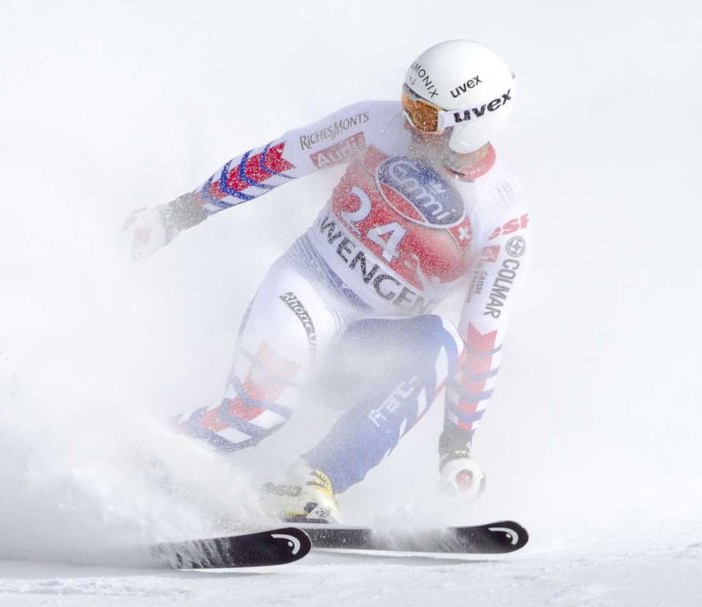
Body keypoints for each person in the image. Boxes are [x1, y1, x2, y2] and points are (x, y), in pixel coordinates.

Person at [121, 40, 532, 523]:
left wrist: (457, 444)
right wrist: (177, 214)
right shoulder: (375, 124)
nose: (407, 120)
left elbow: (484, 331)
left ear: (469, 125)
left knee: (441, 345)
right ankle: (138, 459)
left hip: (367, 349)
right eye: (407, 102)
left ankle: (312, 480)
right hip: (308, 291)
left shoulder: (501, 213)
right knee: (256, 417)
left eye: (424, 115)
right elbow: (279, 160)